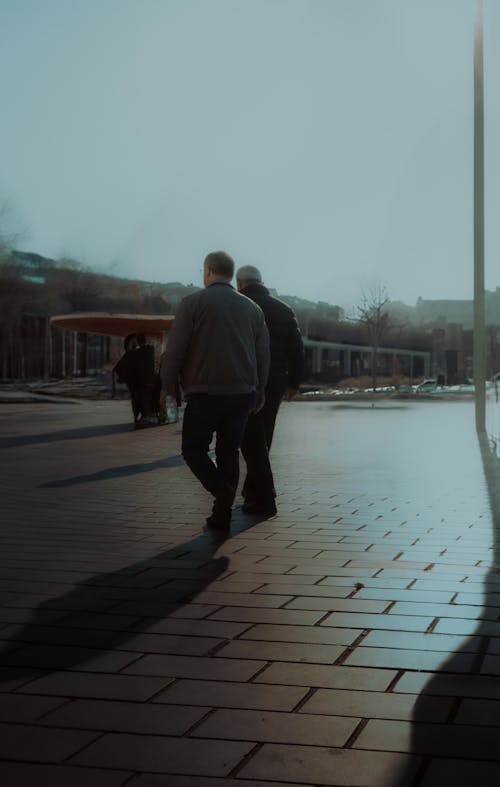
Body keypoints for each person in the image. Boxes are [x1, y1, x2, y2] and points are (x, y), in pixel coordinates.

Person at [160, 251, 270, 530]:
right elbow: (262, 354)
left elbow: (175, 350)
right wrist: (260, 389)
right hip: (242, 393)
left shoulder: (192, 303)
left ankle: (220, 490)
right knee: (228, 451)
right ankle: (222, 514)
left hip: (205, 391)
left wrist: (167, 386)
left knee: (193, 448)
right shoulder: (252, 309)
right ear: (230, 274)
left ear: (208, 270)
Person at [236, 264, 304, 516]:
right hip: (275, 381)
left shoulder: (238, 306)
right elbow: (297, 350)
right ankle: (253, 492)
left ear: (240, 282)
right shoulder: (285, 309)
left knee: (249, 439)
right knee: (264, 436)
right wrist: (294, 383)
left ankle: (262, 495)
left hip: (246, 378)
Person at [113, 333, 140, 423]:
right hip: (133, 379)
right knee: (135, 397)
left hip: (132, 379)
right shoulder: (130, 354)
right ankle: (136, 415)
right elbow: (118, 368)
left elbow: (117, 368)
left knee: (135, 397)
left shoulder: (130, 354)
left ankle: (136, 415)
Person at [132, 333, 157, 427]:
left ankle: (146, 416)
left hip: (143, 380)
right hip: (151, 378)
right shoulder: (151, 349)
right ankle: (151, 415)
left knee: (144, 398)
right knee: (150, 397)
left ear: (138, 341)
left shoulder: (138, 352)